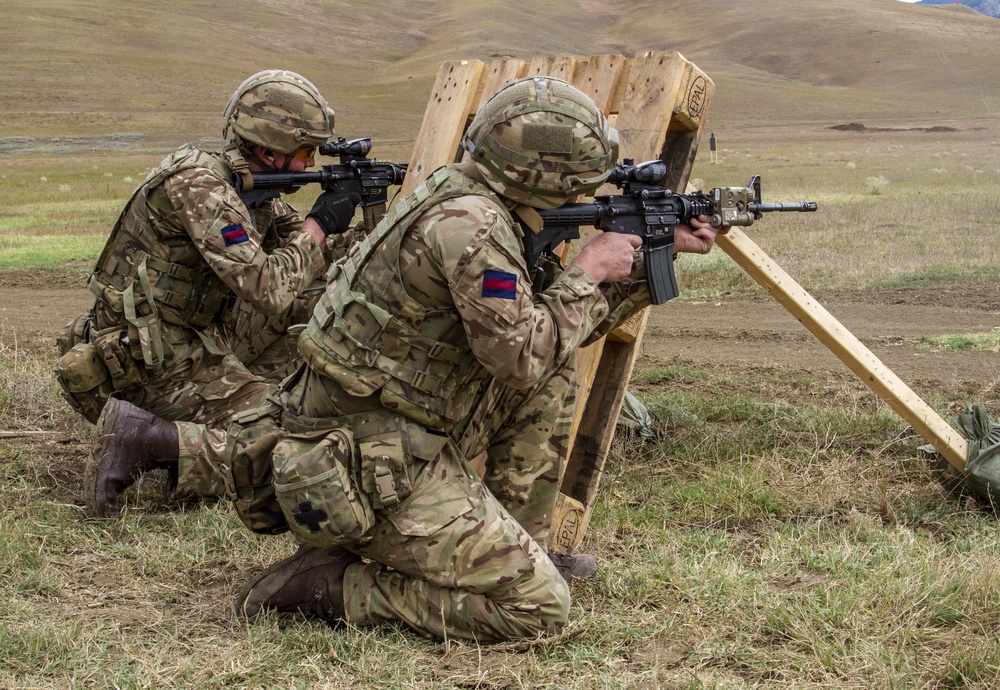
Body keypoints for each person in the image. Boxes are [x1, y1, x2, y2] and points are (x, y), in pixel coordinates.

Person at [85, 75, 724, 642]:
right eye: (581, 181)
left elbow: (549, 341)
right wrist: (588, 270)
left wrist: (638, 266)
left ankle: (527, 542)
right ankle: (327, 587)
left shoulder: (473, 198)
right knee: (537, 611)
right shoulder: (469, 228)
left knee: (552, 379)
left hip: (407, 422)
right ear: (540, 176)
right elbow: (521, 354)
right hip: (370, 458)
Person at [55, 69, 362, 500]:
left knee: (312, 297)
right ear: (267, 150)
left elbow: (309, 264)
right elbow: (269, 288)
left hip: (190, 337)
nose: (312, 164)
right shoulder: (202, 187)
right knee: (298, 442)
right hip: (151, 359)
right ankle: (145, 440)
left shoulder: (253, 192)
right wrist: (318, 225)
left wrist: (349, 225)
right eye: (306, 150)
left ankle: (248, 403)